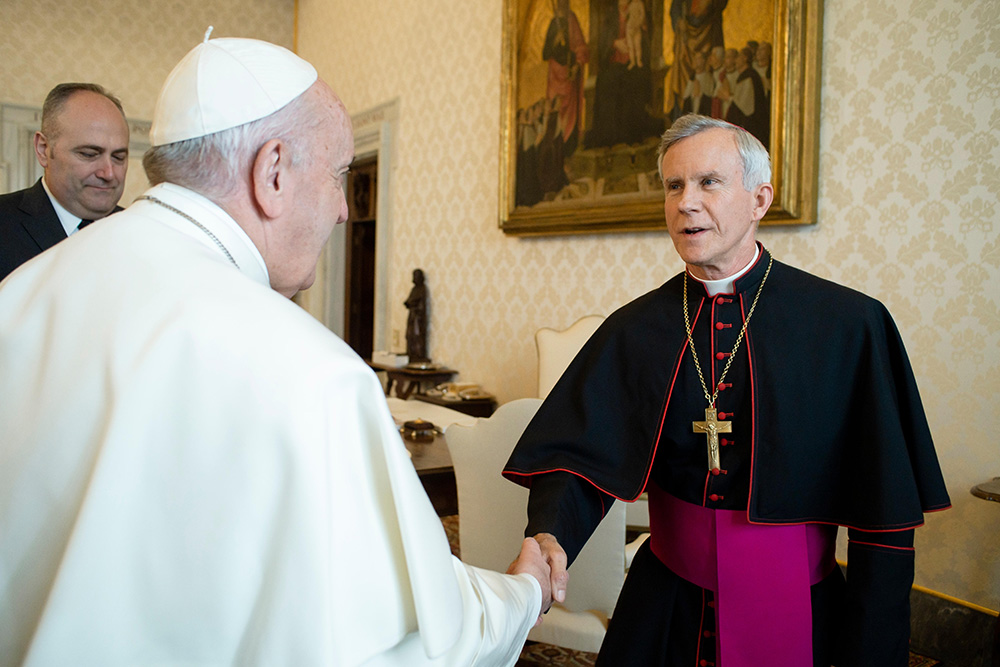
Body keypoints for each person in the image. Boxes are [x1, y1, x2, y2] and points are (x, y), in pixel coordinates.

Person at [0, 35, 551, 666]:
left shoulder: (23, 291)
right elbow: (402, 646)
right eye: (339, 175)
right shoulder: (312, 374)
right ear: (273, 171)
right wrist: (523, 593)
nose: (345, 210)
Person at [504, 114, 950, 666]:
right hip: (666, 607)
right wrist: (548, 534)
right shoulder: (634, 328)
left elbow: (884, 515)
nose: (686, 202)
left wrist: (873, 653)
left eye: (708, 182)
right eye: (674, 186)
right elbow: (578, 459)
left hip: (804, 612)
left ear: (759, 199)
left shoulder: (848, 325)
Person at [0, 82, 129, 282]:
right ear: (44, 149)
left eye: (119, 157)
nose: (109, 173)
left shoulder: (138, 231)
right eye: (89, 154)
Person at [405, 268, 429, 362]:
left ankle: (418, 355)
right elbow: (410, 300)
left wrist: (412, 304)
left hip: (417, 317)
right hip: (412, 316)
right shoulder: (414, 289)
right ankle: (411, 353)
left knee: (417, 335)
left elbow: (420, 304)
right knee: (410, 335)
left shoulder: (422, 289)